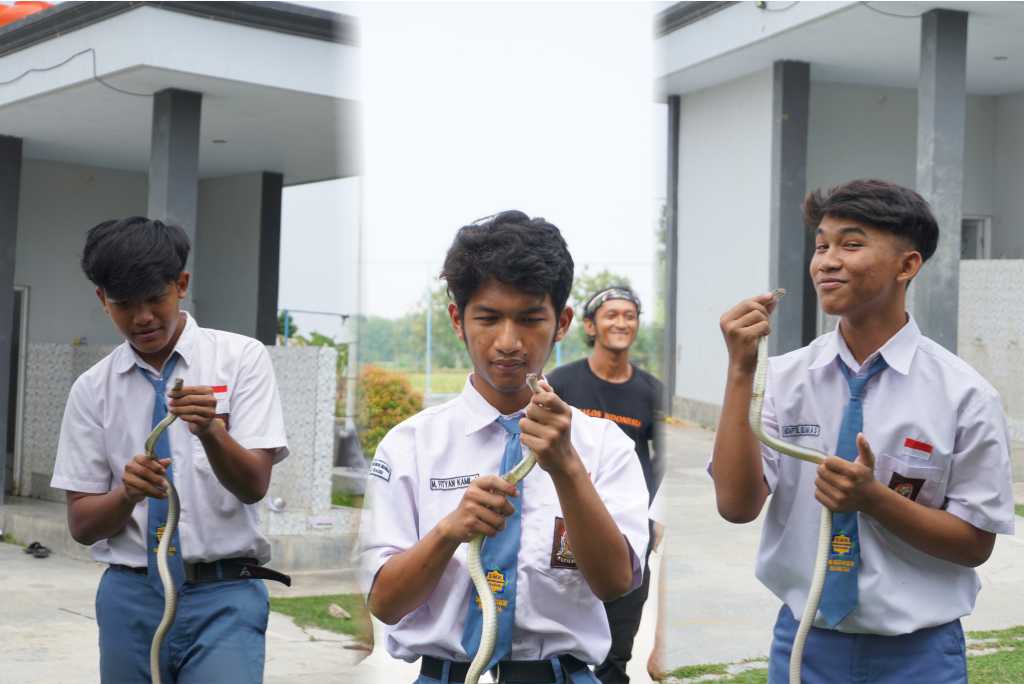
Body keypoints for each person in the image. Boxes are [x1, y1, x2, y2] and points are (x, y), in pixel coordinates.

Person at [713, 179, 1015, 683]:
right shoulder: (782, 380)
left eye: (851, 244)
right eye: (821, 245)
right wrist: (742, 372)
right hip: (804, 642)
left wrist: (874, 499)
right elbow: (737, 506)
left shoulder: (965, 396)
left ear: (907, 265)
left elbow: (974, 543)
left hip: (919, 655)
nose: (827, 261)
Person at [359, 210, 649, 684]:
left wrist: (567, 469)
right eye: (489, 318)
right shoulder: (409, 446)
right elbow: (386, 604)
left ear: (563, 323)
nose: (509, 342)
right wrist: (449, 530)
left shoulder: (602, 446)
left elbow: (615, 583)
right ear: (458, 319)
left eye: (531, 318)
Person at [50, 217, 290, 683]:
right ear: (103, 301)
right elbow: (81, 524)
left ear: (181, 285)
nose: (142, 318)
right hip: (131, 596)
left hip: (223, 594)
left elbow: (254, 486)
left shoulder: (241, 359)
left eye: (155, 299)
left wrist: (211, 432)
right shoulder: (91, 389)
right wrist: (127, 494)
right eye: (123, 304)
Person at [547, 285, 663, 684]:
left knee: (617, 651)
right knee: (562, 647)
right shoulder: (561, 383)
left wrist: (658, 519)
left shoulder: (650, 392)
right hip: (565, 528)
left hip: (629, 526)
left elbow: (662, 458)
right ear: (590, 325)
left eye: (629, 315)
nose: (621, 323)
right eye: (611, 315)